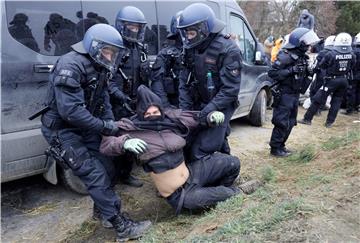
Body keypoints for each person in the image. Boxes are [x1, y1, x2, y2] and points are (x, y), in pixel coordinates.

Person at [40, 24, 151, 241]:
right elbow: (70, 112)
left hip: (85, 126)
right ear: (94, 46)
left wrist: (110, 124)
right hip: (63, 130)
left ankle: (103, 212)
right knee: (94, 174)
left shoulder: (99, 65)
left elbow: (103, 98)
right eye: (106, 51)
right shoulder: (70, 66)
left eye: (113, 53)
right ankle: (122, 227)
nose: (110, 56)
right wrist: (106, 127)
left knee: (108, 167)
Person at [100, 85, 260, 214]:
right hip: (180, 195)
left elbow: (197, 117)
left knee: (232, 163)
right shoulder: (131, 127)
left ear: (160, 110)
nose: (152, 115)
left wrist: (211, 116)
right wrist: (123, 143)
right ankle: (232, 192)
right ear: (141, 114)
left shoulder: (172, 118)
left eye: (155, 111)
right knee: (226, 194)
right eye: (147, 114)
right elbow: (106, 143)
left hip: (191, 174)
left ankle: (214, 191)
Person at [177, 3, 242, 162]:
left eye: (191, 33)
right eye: (187, 33)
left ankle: (219, 175)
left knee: (202, 150)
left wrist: (208, 111)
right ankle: (227, 169)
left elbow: (230, 90)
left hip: (221, 105)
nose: (188, 37)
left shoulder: (228, 50)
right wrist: (185, 110)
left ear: (203, 29)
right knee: (190, 142)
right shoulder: (192, 48)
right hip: (200, 102)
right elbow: (184, 80)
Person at [108, 6, 152, 187]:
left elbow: (145, 76)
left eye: (137, 27)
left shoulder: (140, 49)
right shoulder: (114, 48)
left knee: (132, 136)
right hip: (116, 103)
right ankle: (113, 175)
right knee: (116, 139)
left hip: (135, 102)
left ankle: (125, 174)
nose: (134, 31)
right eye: (131, 27)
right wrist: (120, 97)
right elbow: (107, 80)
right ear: (122, 26)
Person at [268, 27, 319, 157]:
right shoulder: (285, 55)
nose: (308, 46)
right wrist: (291, 70)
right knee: (281, 121)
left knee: (291, 122)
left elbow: (304, 77)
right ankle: (275, 148)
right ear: (299, 43)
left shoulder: (302, 57)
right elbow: (272, 73)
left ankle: (282, 146)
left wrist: (309, 70)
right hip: (284, 93)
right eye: (306, 44)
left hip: (295, 94)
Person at [298, 32, 356, 127]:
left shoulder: (331, 54)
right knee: (336, 101)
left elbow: (322, 65)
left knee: (317, 99)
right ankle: (329, 123)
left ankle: (307, 119)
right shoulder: (352, 54)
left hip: (331, 81)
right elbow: (352, 66)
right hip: (344, 80)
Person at [151, 12, 183, 108]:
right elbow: (157, 82)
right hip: (175, 104)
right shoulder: (166, 54)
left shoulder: (201, 52)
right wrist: (166, 107)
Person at [308, 35, 336, 114]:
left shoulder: (322, 52)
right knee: (324, 93)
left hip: (321, 74)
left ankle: (315, 108)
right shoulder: (335, 53)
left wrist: (313, 72)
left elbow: (318, 64)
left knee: (314, 90)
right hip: (330, 76)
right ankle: (320, 107)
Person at [344, 33, 360, 114]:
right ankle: (356, 107)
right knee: (358, 92)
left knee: (351, 91)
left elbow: (351, 63)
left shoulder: (354, 51)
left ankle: (349, 109)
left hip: (354, 74)